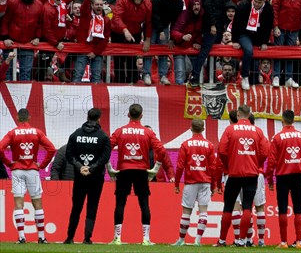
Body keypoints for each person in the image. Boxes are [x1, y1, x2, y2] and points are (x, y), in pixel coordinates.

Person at [108, 104, 174, 245]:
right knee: (144, 204)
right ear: (141, 116)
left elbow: (106, 148)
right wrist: (155, 168)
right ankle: (146, 239)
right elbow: (162, 151)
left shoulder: (120, 131)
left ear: (128, 115)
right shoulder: (147, 132)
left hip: (124, 170)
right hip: (141, 171)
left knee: (120, 203)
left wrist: (109, 167)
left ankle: (117, 238)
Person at [215, 105, 269, 247]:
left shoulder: (230, 129)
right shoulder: (258, 131)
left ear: (238, 114)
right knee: (247, 207)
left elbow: (221, 150)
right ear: (249, 114)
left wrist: (229, 164)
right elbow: (265, 152)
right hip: (252, 173)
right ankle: (242, 240)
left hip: (234, 173)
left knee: (228, 207)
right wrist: (256, 163)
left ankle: (221, 240)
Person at [0, 108, 56, 244]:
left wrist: (9, 163)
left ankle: (21, 237)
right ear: (29, 117)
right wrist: (41, 165)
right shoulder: (37, 132)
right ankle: (42, 237)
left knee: (18, 203)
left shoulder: (12, 133)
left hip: (17, 170)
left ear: (18, 118)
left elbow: (0, 148)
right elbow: (52, 149)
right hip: (32, 170)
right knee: (37, 202)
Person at [64, 108, 112, 244]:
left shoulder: (75, 135)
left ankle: (69, 237)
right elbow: (105, 157)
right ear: (99, 118)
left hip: (80, 177)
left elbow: (69, 155)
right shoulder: (103, 137)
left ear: (87, 117)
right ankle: (87, 238)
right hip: (96, 178)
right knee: (92, 205)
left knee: (76, 206)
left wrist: (80, 167)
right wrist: (92, 168)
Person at [266, 110, 301, 248]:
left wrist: (270, 179)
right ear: (293, 120)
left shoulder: (277, 137)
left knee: (282, 208)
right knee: (298, 209)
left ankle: (283, 242)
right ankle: (299, 242)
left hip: (282, 176)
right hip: (297, 175)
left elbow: (271, 161)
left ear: (282, 120)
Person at [173, 119, 217, 246]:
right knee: (203, 211)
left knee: (186, 212)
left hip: (191, 183)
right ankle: (198, 240)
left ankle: (181, 240)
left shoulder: (186, 144)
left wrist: (176, 183)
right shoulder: (209, 145)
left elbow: (180, 166)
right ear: (203, 129)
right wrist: (213, 185)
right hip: (205, 182)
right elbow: (213, 168)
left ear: (191, 128)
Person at [190, 0, 227, 87]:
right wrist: (212, 24)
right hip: (211, 26)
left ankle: (212, 77)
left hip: (218, 26)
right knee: (205, 51)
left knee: (213, 53)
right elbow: (208, 7)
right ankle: (194, 76)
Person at [231, 0, 274, 90]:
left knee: (255, 61)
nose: (256, 4)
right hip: (244, 34)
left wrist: (264, 42)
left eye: (259, 2)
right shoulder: (243, 5)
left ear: (264, 1)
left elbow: (268, 27)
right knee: (249, 50)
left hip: (258, 36)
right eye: (255, 1)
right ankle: (244, 76)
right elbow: (236, 23)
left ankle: (254, 83)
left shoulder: (268, 9)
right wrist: (235, 40)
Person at [111, 0, 152, 84]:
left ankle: (133, 81)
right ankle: (119, 82)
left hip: (136, 32)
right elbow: (116, 17)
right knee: (118, 59)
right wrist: (124, 30)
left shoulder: (147, 4)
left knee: (132, 58)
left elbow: (149, 23)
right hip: (118, 32)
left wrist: (147, 39)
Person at [146, 0, 185, 85]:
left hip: (165, 26)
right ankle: (147, 74)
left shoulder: (179, 3)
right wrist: (160, 30)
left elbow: (175, 21)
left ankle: (163, 75)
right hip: (152, 25)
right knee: (149, 49)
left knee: (163, 50)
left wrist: (172, 37)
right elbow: (155, 15)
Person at [73, 0, 112, 83]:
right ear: (92, 5)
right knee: (77, 75)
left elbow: (105, 38)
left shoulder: (106, 20)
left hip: (97, 52)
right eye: (96, 4)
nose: (99, 6)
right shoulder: (86, 15)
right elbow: (83, 9)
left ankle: (97, 97)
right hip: (83, 50)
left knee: (97, 77)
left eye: (101, 5)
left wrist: (95, 52)